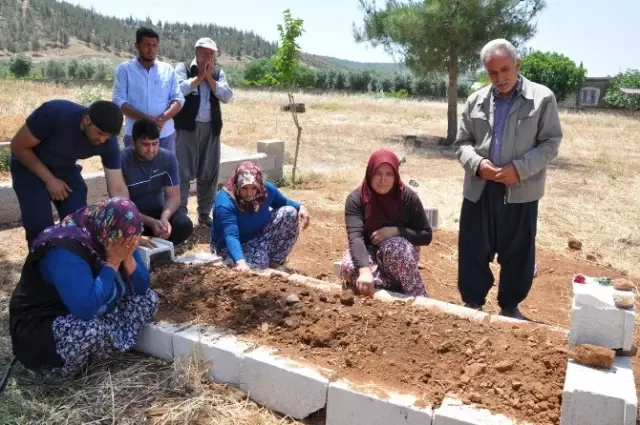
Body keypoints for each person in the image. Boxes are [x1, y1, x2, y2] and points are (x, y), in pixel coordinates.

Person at [454, 39, 563, 319]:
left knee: (518, 252)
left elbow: (550, 143)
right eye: (492, 72)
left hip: (521, 190)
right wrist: (477, 164)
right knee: (473, 248)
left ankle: (510, 307)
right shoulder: (474, 100)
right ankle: (472, 303)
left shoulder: (542, 98)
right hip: (480, 190)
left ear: (518, 65)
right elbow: (462, 143)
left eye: (505, 69)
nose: (500, 78)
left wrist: (519, 169)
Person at [9, 197, 158, 382]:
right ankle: (55, 371)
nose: (127, 245)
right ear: (106, 232)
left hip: (86, 308)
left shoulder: (118, 232)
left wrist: (127, 258)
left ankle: (104, 349)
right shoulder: (65, 249)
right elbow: (85, 308)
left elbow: (142, 287)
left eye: (132, 240)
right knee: (89, 331)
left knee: (147, 300)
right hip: (44, 324)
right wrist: (112, 262)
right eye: (124, 242)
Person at [9, 99, 130, 247]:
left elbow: (117, 187)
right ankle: (40, 266)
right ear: (87, 120)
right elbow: (17, 145)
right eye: (100, 133)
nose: (103, 139)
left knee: (78, 222)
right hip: (28, 166)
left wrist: (128, 222)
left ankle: (72, 261)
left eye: (108, 136)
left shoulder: (108, 143)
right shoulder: (55, 113)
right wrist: (50, 180)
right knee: (40, 226)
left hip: (64, 168)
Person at [339, 149, 432, 297]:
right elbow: (355, 238)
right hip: (369, 251)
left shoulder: (407, 197)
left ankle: (418, 295)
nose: (383, 179)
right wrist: (364, 270)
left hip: (400, 254)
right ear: (370, 173)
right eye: (378, 173)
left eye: (389, 174)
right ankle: (392, 285)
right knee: (348, 267)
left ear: (396, 175)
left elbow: (426, 235)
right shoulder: (356, 199)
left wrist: (396, 231)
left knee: (394, 247)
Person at [174, 37, 234, 227]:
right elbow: (177, 90)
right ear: (196, 51)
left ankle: (204, 213)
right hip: (186, 128)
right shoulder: (182, 68)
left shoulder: (217, 72)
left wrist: (208, 78)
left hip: (211, 128)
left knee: (209, 172)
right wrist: (198, 78)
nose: (207, 56)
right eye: (203, 52)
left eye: (211, 53)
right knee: (182, 171)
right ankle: (181, 213)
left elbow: (226, 96)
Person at [210, 161, 310, 272]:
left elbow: (284, 202)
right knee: (259, 264)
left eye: (253, 188)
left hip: (256, 237)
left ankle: (275, 263)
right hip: (228, 248)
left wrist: (301, 207)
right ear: (237, 185)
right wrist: (240, 262)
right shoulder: (225, 203)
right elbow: (231, 236)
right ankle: (245, 262)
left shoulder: (266, 190)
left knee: (290, 213)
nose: (249, 193)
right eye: (244, 188)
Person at [121, 118, 194, 245]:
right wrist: (150, 222)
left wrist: (164, 219)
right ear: (133, 142)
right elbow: (123, 205)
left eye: (155, 144)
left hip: (158, 213)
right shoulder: (121, 160)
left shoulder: (168, 158)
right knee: (120, 229)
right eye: (145, 144)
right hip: (132, 216)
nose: (151, 150)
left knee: (184, 224)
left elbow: (174, 197)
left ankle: (162, 245)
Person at [112, 27, 184, 153]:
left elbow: (178, 99)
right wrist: (144, 119)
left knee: (165, 171)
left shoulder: (167, 69)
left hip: (165, 134)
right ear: (137, 46)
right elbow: (119, 100)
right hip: (135, 134)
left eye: (155, 45)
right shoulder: (125, 70)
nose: (151, 50)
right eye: (146, 45)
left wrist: (161, 119)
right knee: (134, 171)